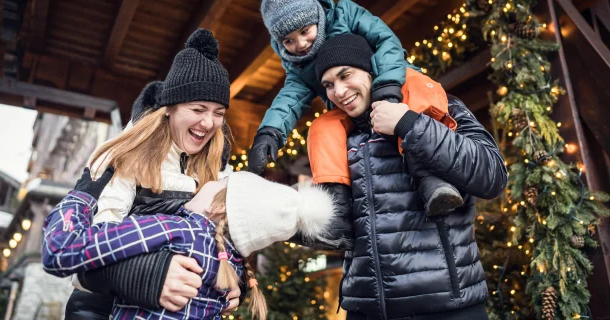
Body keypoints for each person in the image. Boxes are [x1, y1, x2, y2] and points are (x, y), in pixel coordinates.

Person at [313, 34, 508, 319]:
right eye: (328, 85)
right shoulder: (338, 137)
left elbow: (492, 175)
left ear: (371, 71)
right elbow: (331, 229)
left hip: (448, 308)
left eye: (345, 75)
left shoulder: (439, 106)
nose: (339, 91)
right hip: (366, 310)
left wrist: (408, 124)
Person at [63, 29, 240, 319]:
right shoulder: (122, 155)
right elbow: (83, 252)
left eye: (219, 112)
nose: (209, 123)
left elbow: (226, 243)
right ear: (169, 108)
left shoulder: (219, 169)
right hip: (104, 311)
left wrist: (233, 280)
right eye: (198, 109)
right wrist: (150, 276)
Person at [248, 0, 464, 217]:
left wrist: (387, 88)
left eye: (305, 31)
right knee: (323, 127)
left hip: (392, 85)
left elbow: (385, 41)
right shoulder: (297, 66)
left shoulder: (345, 13)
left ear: (318, 15)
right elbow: (290, 99)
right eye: (288, 40)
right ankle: (336, 204)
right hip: (352, 107)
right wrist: (270, 132)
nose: (301, 43)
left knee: (417, 87)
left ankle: (429, 175)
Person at [42, 168, 335, 319]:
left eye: (220, 182)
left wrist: (82, 197)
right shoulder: (231, 270)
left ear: (219, 207)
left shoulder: (179, 230)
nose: (210, 180)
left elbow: (61, 249)